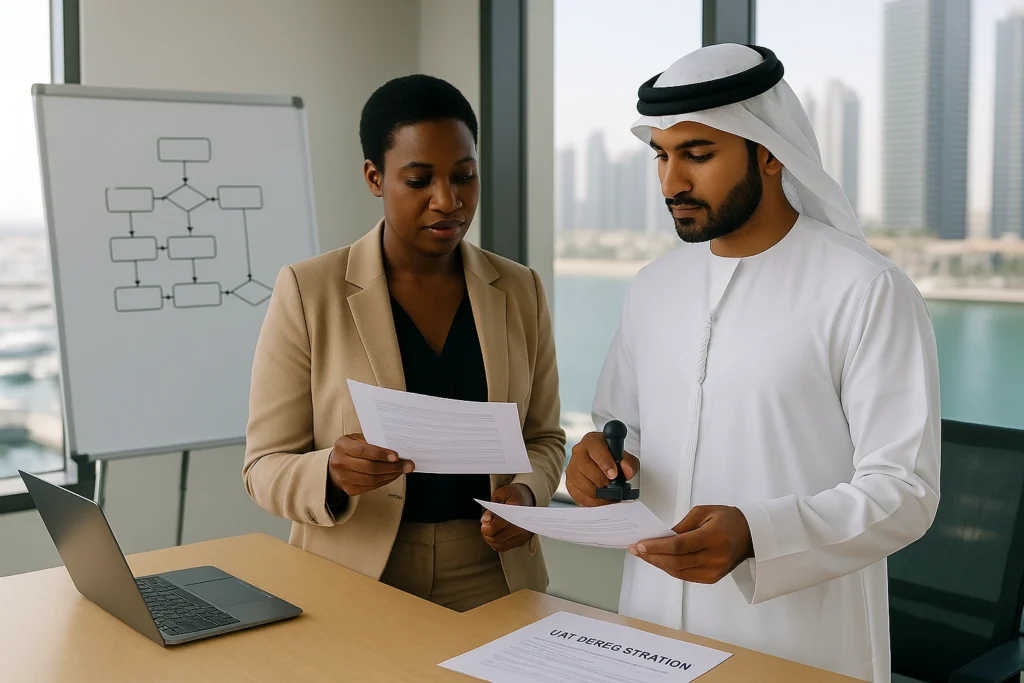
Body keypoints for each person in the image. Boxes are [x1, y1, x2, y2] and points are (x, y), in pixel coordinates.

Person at [565, 44, 940, 682]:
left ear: (768, 152)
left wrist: (758, 534)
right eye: (662, 156)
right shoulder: (654, 285)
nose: (671, 183)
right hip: (649, 631)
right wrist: (594, 461)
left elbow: (905, 492)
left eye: (698, 155)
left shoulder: (864, 288)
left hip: (799, 641)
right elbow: (619, 425)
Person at [243, 74, 565, 612]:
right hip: (356, 569)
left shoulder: (519, 289)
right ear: (375, 177)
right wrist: (330, 473)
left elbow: (546, 437)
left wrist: (527, 496)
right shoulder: (309, 290)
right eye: (419, 181)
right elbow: (263, 467)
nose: (448, 201)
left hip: (495, 572)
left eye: (465, 177)